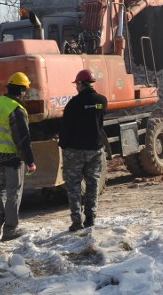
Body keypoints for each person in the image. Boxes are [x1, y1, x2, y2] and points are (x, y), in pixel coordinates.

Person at [0, 72, 37, 241]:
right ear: (22, 91)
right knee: (14, 192)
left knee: (1, 190)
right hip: (11, 157)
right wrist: (30, 161)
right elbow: (23, 139)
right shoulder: (16, 109)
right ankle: (10, 230)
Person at [59, 69, 109, 232]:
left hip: (75, 150)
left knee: (73, 185)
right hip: (95, 149)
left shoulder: (73, 104)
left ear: (81, 84)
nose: (76, 88)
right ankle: (90, 218)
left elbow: (66, 128)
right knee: (93, 183)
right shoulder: (102, 101)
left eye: (77, 85)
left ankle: (77, 221)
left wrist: (63, 145)